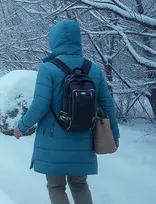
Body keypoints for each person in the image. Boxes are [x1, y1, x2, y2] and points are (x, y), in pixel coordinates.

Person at [13, 19, 120, 204]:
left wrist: (21, 127)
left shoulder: (48, 69)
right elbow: (107, 104)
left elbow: (40, 105)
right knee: (79, 184)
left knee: (56, 187)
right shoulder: (93, 69)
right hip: (84, 138)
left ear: (54, 40)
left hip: (52, 140)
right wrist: (114, 134)